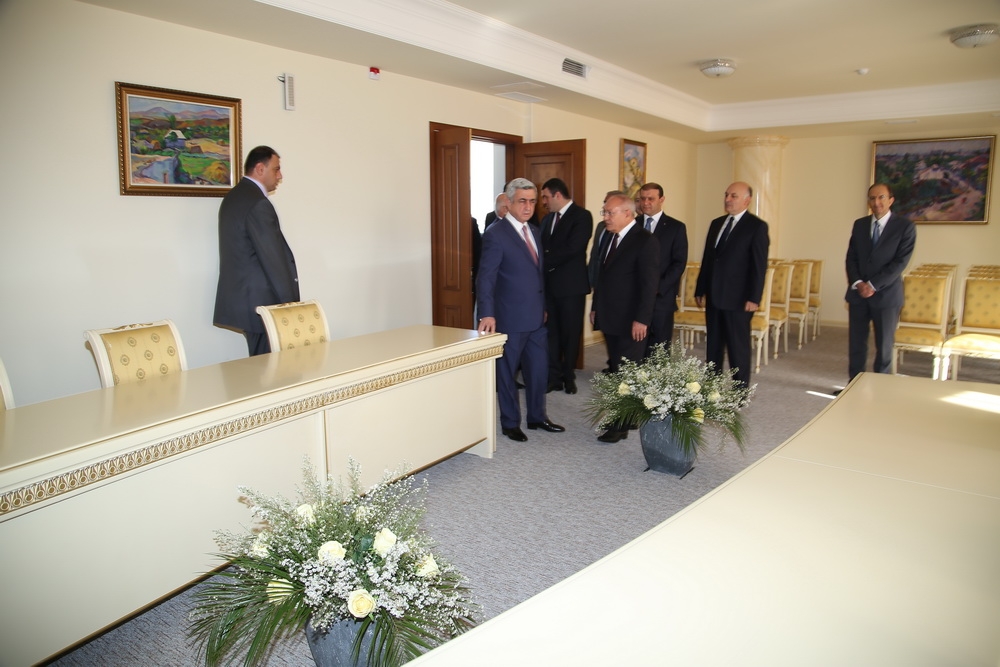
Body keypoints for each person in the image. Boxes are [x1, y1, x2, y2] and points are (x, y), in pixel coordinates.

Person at [477, 178, 565, 442]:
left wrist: (543, 306)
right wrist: (487, 313)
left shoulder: (534, 231)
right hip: (509, 317)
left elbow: (538, 275)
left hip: (536, 317)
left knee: (538, 371)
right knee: (507, 373)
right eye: (522, 201)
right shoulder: (496, 233)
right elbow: (486, 277)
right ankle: (510, 422)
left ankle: (537, 417)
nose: (528, 207)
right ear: (509, 201)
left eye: (532, 201)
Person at [214, 145, 299, 356]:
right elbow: (273, 260)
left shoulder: (234, 196)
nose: (280, 176)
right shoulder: (258, 203)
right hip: (261, 303)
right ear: (260, 169)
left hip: (244, 299)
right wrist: (290, 306)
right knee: (268, 368)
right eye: (276, 169)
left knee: (259, 365)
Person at [590, 193, 659, 443]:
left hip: (632, 320)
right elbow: (603, 276)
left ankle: (618, 426)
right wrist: (596, 307)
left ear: (627, 214)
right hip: (610, 315)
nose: (605, 217)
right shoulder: (611, 237)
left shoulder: (645, 241)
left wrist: (642, 319)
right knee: (618, 367)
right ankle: (629, 417)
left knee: (626, 373)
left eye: (610, 213)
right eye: (605, 212)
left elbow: (649, 285)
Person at [694, 182, 769, 387]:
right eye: (726, 195)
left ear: (747, 200)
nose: (728, 199)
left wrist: (754, 297)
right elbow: (708, 259)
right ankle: (712, 387)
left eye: (733, 196)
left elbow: (759, 266)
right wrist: (701, 288)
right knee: (713, 345)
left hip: (739, 298)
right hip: (714, 295)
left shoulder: (756, 226)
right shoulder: (716, 223)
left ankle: (739, 391)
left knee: (738, 348)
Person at [845, 183, 916, 380]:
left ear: (891, 200)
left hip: (886, 296)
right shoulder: (860, 225)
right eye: (872, 198)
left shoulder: (905, 227)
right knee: (856, 345)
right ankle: (854, 385)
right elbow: (851, 258)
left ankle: (881, 386)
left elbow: (900, 262)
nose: (876, 202)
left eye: (881, 197)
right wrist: (858, 283)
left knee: (884, 347)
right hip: (858, 294)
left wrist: (873, 285)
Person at [540, 178, 593, 395]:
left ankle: (569, 376)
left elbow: (573, 248)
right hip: (549, 287)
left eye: (546, 197)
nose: (543, 202)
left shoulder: (582, 216)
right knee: (551, 333)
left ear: (557, 195)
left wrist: (544, 261)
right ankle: (553, 377)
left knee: (571, 334)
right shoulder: (546, 220)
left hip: (571, 287)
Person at [637, 182, 688, 354]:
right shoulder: (633, 225)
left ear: (661, 199)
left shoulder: (676, 227)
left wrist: (657, 287)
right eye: (643, 198)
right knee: (636, 349)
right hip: (636, 299)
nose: (646, 203)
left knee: (659, 350)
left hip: (662, 298)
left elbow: (679, 263)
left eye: (650, 199)